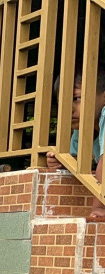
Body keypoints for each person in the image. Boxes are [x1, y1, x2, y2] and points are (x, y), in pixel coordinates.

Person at [46, 67, 105, 222]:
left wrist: (99, 207)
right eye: (63, 103)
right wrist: (62, 162)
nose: (69, 109)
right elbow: (77, 160)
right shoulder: (82, 129)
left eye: (77, 98)